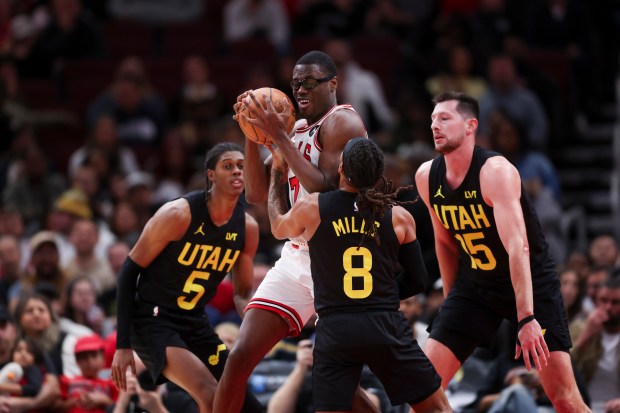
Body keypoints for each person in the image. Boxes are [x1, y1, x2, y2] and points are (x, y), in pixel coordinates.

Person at [212, 50, 375, 413]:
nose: (301, 89)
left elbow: (326, 192)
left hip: (338, 261)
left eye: (311, 81)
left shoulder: (342, 122)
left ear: (333, 84)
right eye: (296, 83)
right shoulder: (297, 129)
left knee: (337, 381)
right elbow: (255, 193)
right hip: (297, 257)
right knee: (238, 357)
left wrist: (277, 138)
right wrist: (252, 133)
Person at [414, 91, 591, 412]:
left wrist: (526, 317)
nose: (434, 126)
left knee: (563, 399)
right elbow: (444, 242)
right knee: (424, 391)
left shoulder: (496, 171)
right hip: (476, 285)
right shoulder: (427, 176)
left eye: (444, 118)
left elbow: (518, 246)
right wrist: (453, 304)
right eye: (432, 120)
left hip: (528, 284)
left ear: (471, 126)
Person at [266, 137, 451, 412]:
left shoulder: (313, 207)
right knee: (437, 409)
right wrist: (380, 296)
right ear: (378, 175)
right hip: (383, 323)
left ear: (341, 167)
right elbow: (419, 280)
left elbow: (277, 226)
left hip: (336, 328)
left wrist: (277, 173)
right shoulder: (398, 216)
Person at [111, 142, 262, 413]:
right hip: (152, 320)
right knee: (210, 393)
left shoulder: (247, 228)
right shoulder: (178, 214)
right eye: (228, 166)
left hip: (194, 320)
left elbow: (241, 293)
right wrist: (122, 345)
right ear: (211, 175)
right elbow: (128, 271)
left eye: (241, 166)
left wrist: (255, 324)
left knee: (247, 405)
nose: (237, 171)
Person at [571, 276, 620, 413]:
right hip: (581, 407)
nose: (608, 307)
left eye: (615, 302)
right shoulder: (579, 328)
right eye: (603, 301)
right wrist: (586, 335)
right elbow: (562, 367)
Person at [55, 333, 118, 413]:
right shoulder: (66, 381)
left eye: (94, 356)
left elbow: (121, 408)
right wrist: (74, 401)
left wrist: (105, 401)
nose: (90, 362)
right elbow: (53, 407)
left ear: (103, 357)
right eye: (84, 358)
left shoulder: (112, 384)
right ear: (77, 361)